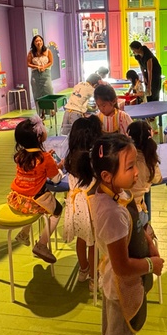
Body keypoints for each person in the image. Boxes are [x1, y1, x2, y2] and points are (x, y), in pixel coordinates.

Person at [83, 134, 164, 335]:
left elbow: (135, 222)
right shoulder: (112, 213)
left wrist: (148, 241)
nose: (137, 172)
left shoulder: (113, 192)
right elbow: (122, 266)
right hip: (121, 287)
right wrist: (152, 264)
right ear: (107, 175)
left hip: (116, 282)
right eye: (129, 167)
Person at [7, 116, 63, 264]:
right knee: (57, 211)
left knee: (34, 209)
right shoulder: (45, 158)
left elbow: (34, 167)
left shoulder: (20, 155)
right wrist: (58, 166)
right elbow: (56, 179)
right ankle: (42, 245)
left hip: (17, 198)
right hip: (34, 198)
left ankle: (24, 234)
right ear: (39, 137)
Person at [62, 116, 102, 286]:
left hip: (75, 206)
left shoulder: (70, 158)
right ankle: (94, 278)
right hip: (91, 206)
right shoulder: (94, 161)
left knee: (82, 239)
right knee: (94, 244)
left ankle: (83, 269)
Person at [127, 121, 162, 228]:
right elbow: (158, 179)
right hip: (136, 211)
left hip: (121, 207)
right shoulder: (150, 161)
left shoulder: (123, 157)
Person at [27, 35, 54, 115]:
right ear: (34, 43)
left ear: (42, 41)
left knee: (48, 90)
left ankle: (50, 110)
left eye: (40, 41)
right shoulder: (31, 53)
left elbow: (51, 62)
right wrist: (37, 67)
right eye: (36, 41)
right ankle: (40, 112)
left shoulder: (48, 51)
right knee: (37, 93)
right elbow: (28, 63)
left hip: (46, 73)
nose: (38, 42)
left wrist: (44, 67)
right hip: (35, 74)